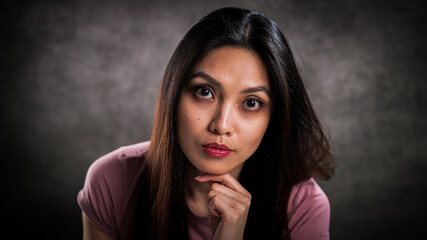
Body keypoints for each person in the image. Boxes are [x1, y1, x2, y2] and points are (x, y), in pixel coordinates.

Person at [78, 7, 335, 240]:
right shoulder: (112, 181)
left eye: (251, 103)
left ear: (275, 117)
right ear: (174, 93)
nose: (221, 125)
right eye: (204, 92)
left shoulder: (303, 208)